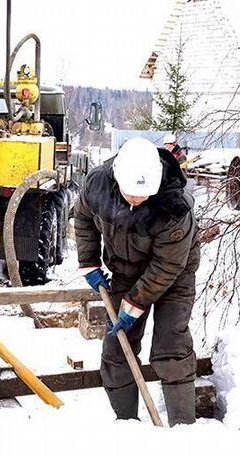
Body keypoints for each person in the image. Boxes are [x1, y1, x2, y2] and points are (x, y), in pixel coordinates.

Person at [74, 137, 200, 426]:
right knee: (117, 348)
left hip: (174, 275)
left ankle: (183, 427)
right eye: (131, 194)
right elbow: (82, 218)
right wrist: (89, 263)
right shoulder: (97, 185)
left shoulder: (173, 207)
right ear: (118, 178)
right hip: (124, 268)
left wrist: (134, 306)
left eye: (142, 195)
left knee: (171, 343)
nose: (136, 200)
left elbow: (167, 265)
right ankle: (127, 424)